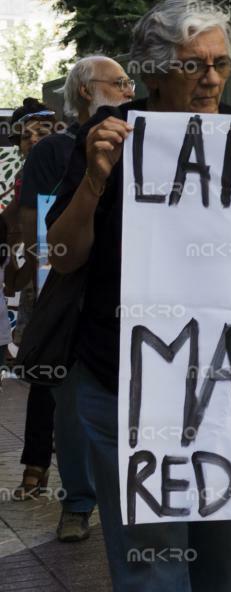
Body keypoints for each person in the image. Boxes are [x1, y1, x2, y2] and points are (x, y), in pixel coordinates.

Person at [47, 0, 231, 590]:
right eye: (194, 65)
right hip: (128, 385)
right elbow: (60, 256)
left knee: (222, 551)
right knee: (152, 553)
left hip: (226, 385)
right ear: (155, 69)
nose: (211, 78)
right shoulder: (107, 139)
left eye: (221, 63)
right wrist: (94, 178)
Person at [13, 57, 133, 541]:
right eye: (119, 82)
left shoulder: (142, 142)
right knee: (71, 407)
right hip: (68, 301)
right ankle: (78, 503)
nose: (130, 89)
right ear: (87, 92)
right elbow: (33, 227)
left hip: (127, 303)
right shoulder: (55, 150)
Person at [5, 100, 60, 505]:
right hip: (39, 294)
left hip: (78, 292)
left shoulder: (76, 168)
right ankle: (35, 467)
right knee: (43, 378)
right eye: (27, 136)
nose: (33, 140)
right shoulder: (22, 184)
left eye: (41, 131)